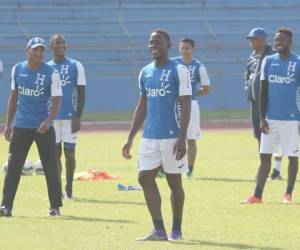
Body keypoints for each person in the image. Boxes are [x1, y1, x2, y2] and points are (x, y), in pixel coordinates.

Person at [122, 29, 191, 241]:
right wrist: (131, 137)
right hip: (149, 136)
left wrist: (182, 138)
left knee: (174, 182)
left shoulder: (179, 70)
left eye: (158, 42)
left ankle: (176, 230)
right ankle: (159, 229)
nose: (154, 46)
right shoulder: (145, 72)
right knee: (144, 177)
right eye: (151, 43)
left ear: (168, 45)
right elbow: (142, 107)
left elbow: (186, 104)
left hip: (172, 136)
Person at [0, 37, 63, 217]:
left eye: (42, 50)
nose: (39, 53)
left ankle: (55, 207)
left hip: (43, 127)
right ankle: (6, 206)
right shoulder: (17, 69)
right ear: (27, 51)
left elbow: (56, 101)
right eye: (35, 50)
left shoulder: (52, 73)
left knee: (51, 167)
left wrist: (48, 122)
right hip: (21, 125)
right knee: (13, 166)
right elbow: (13, 98)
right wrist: (8, 125)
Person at [241, 28, 300, 204]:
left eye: (282, 40)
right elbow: (263, 92)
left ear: (290, 42)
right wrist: (262, 118)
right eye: (276, 40)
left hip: (291, 119)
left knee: (293, 157)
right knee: (265, 156)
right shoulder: (268, 61)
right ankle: (257, 195)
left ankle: (288, 194)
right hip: (270, 118)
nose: (279, 43)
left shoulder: (297, 62)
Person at [48, 34, 86, 199]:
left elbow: (81, 92)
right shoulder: (46, 67)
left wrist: (78, 116)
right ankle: (58, 190)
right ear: (51, 47)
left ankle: (69, 188)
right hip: (52, 119)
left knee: (70, 154)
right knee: (55, 155)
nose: (62, 45)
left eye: (63, 43)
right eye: (58, 43)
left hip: (70, 118)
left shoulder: (75, 65)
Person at [245, 27, 283, 180]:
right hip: (255, 104)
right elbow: (247, 76)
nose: (251, 42)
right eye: (250, 39)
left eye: (254, 39)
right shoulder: (251, 58)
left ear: (263, 40)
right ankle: (264, 169)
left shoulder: (274, 55)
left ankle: (277, 170)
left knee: (276, 136)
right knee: (260, 136)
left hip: (272, 103)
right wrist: (248, 90)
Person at [172, 38, 210, 178]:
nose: (184, 51)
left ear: (193, 49)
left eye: (187, 48)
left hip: (191, 104)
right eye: (182, 48)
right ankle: (169, 168)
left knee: (191, 139)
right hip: (174, 104)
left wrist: (191, 93)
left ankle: (190, 170)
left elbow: (206, 89)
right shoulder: (173, 63)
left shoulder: (199, 66)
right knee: (171, 136)